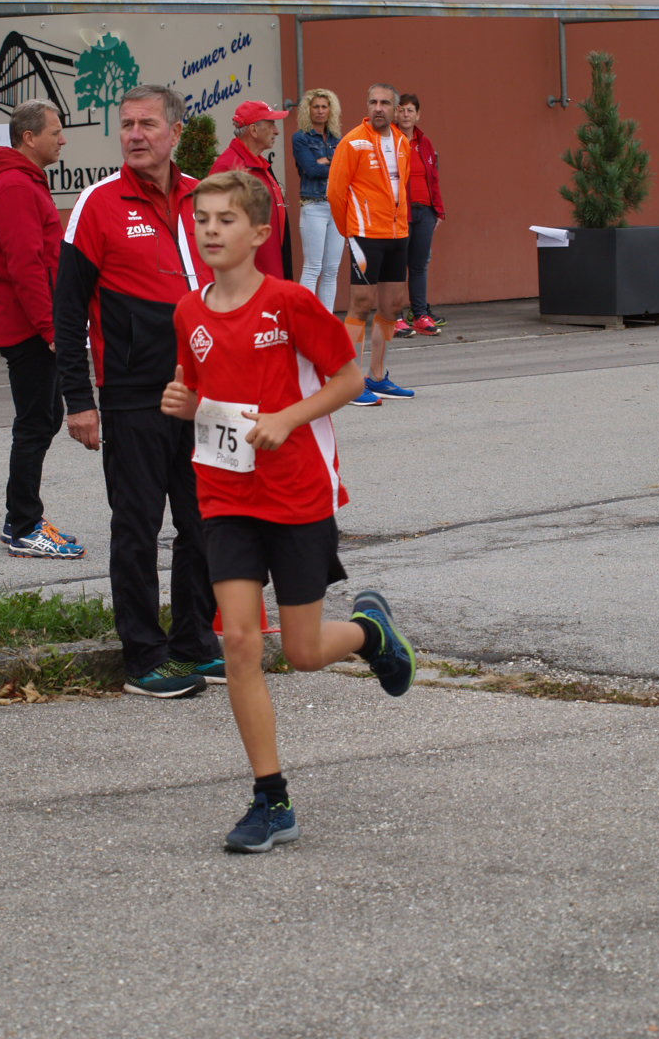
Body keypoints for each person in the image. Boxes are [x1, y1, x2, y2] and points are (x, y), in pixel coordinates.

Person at [162, 169, 416, 853]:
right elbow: (206, 393)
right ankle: (270, 799)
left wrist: (288, 417)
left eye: (225, 220)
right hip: (225, 494)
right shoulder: (188, 312)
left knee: (302, 652)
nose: (210, 230)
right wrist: (186, 404)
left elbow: (350, 378)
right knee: (240, 643)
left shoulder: (289, 302)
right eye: (202, 220)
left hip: (296, 493)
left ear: (259, 233)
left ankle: (369, 633)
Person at [55, 84, 224, 698]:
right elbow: (67, 312)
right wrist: (79, 400)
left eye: (147, 124)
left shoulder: (206, 198)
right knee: (137, 526)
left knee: (206, 522)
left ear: (175, 132)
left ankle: (195, 643)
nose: (134, 134)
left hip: (205, 393)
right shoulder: (98, 203)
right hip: (132, 393)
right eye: (126, 124)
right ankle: (144, 657)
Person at [0, 99, 85, 559]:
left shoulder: (23, 182)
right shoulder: (15, 187)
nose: (62, 139)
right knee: (36, 423)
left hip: (33, 324)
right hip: (27, 327)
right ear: (29, 137)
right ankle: (23, 525)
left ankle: (20, 519)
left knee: (44, 419)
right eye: (55, 131)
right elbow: (25, 265)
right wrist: (50, 329)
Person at [326, 82, 416, 406]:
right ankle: (349, 382)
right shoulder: (353, 142)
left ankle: (377, 377)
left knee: (392, 305)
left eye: (385, 103)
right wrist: (350, 231)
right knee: (361, 304)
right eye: (373, 102)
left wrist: (401, 225)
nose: (378, 108)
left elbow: (401, 188)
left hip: (397, 234)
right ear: (367, 106)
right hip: (365, 234)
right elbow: (335, 192)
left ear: (395, 109)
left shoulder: (403, 142)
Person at [209, 100, 290, 278]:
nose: (276, 131)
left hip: (269, 269)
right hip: (248, 276)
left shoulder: (259, 164)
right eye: (271, 124)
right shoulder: (228, 167)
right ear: (253, 130)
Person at [394, 92, 446, 336]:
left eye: (410, 110)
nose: (406, 115)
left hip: (425, 211)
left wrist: (438, 211)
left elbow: (433, 177)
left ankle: (420, 314)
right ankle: (395, 316)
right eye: (402, 110)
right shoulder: (388, 140)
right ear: (396, 113)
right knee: (395, 265)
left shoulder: (425, 143)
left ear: (418, 115)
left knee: (418, 265)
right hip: (398, 212)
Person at [292, 88, 344, 311]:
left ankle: (326, 319)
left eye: (324, 107)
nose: (320, 111)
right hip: (313, 205)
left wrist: (326, 163)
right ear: (308, 110)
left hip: (337, 206)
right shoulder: (301, 138)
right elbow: (311, 169)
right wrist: (335, 165)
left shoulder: (337, 139)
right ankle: (305, 319)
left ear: (331, 110)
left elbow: (348, 170)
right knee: (313, 267)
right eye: (316, 107)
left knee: (331, 270)